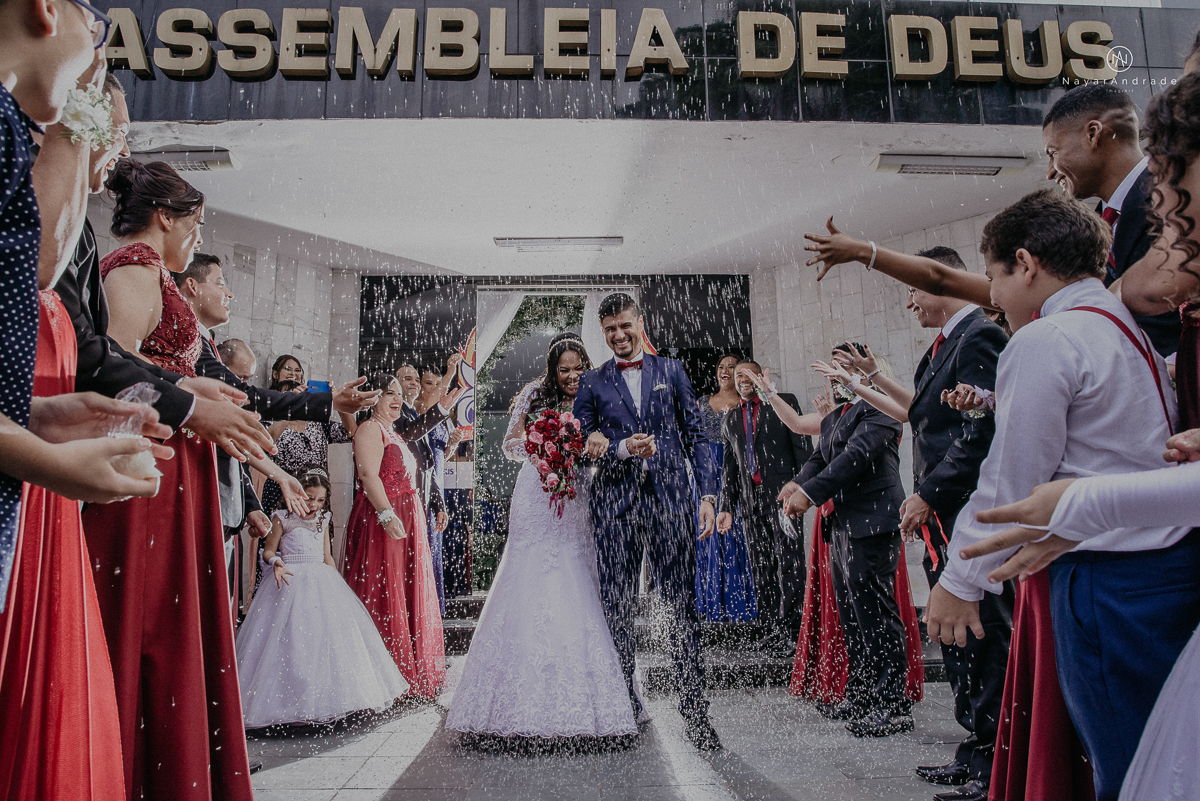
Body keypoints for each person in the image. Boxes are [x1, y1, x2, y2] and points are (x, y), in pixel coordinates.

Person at [922, 189, 1193, 801]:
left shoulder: (1048, 337)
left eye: (993, 277)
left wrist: (962, 579)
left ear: (1025, 264)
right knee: (1160, 757)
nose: (992, 297)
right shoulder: (1123, 326)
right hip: (1164, 564)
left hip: (1106, 574)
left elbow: (1012, 478)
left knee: (1122, 762)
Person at [80, 159, 254, 801]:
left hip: (177, 464)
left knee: (174, 622)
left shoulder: (154, 274)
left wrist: (191, 389)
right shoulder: (132, 268)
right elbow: (112, 368)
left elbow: (149, 368)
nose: (197, 238)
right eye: (196, 225)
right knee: (151, 622)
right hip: (150, 465)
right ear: (165, 217)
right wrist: (184, 399)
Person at [827, 248, 1011, 801]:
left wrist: (929, 494)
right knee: (957, 636)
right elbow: (921, 414)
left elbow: (982, 433)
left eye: (914, 289)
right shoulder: (944, 345)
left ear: (944, 280)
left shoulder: (979, 336)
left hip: (966, 513)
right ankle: (975, 746)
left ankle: (996, 761)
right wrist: (871, 378)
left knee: (982, 632)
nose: (909, 301)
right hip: (943, 514)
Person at [447, 334, 640, 739]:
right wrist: (542, 447)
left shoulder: (597, 394)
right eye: (564, 369)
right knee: (529, 568)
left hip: (577, 494)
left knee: (576, 567)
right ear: (553, 371)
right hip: (535, 493)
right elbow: (509, 444)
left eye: (578, 368)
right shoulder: (533, 394)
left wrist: (581, 448)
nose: (572, 375)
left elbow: (604, 443)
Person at [573, 293, 720, 751]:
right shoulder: (592, 381)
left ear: (640, 323)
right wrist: (617, 447)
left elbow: (696, 434)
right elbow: (579, 442)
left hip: (670, 504)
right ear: (603, 332)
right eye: (610, 329)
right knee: (616, 607)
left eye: (624, 325)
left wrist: (708, 495)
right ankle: (624, 710)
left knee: (680, 606)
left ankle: (695, 712)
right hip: (614, 509)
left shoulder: (671, 371)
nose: (618, 335)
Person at [779, 346, 916, 738]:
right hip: (843, 524)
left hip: (873, 523)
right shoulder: (841, 414)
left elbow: (854, 457)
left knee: (876, 614)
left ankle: (893, 704)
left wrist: (810, 494)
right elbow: (821, 458)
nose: (835, 374)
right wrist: (797, 483)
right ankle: (863, 694)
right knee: (853, 616)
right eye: (834, 368)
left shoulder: (882, 408)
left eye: (844, 367)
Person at [236, 467, 410, 728]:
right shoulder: (281, 517)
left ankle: (329, 701)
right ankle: (284, 703)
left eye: (320, 500)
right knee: (290, 639)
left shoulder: (324, 518)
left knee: (325, 639)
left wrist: (338, 586)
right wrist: (276, 563)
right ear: (297, 493)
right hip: (290, 578)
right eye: (309, 498)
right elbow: (268, 551)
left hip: (321, 579)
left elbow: (327, 556)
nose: (314, 505)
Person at [342, 374, 462, 697]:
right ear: (374, 399)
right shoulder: (370, 429)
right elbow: (368, 474)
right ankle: (379, 677)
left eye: (398, 393)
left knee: (402, 591)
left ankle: (401, 673)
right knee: (384, 591)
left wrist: (441, 408)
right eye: (388, 393)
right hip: (382, 522)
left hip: (406, 520)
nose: (396, 399)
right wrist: (385, 514)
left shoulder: (394, 431)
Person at [1042, 82, 1177, 357]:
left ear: (1093, 134)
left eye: (1053, 153)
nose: (1050, 172)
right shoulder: (1096, 225)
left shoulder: (1173, 198)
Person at [716, 360, 812, 651]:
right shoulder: (730, 419)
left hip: (783, 497)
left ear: (760, 377)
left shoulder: (782, 402)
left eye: (748, 374)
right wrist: (726, 507)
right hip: (750, 503)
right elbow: (730, 469)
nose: (742, 379)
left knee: (790, 563)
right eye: (738, 376)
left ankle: (794, 631)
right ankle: (771, 628)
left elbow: (802, 447)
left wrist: (804, 488)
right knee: (761, 567)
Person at [695, 353, 757, 624]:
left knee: (736, 532)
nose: (726, 371)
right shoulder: (701, 403)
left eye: (732, 367)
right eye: (721, 367)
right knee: (706, 533)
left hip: (734, 472)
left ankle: (737, 599)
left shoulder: (746, 404)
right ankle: (708, 600)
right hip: (706, 473)